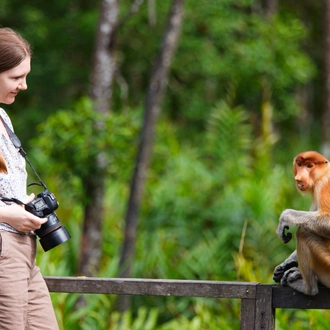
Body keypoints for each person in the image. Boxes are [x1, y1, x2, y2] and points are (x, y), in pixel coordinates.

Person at [0, 27, 59, 329]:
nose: (24, 86)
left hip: (24, 249)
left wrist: (22, 204)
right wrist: (7, 214)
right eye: (16, 77)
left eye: (26, 76)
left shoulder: (3, 118)